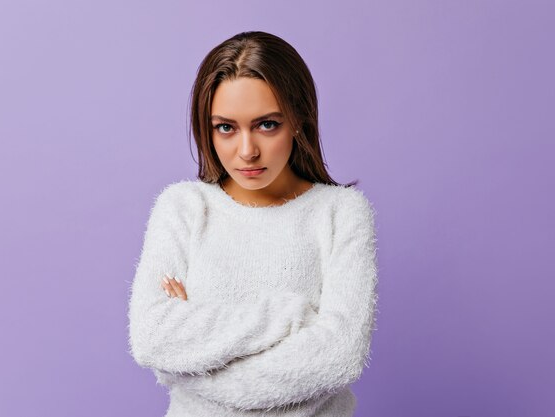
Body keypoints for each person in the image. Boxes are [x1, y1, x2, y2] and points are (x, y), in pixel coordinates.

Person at [127, 31, 379, 417]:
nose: (246, 151)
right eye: (225, 128)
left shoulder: (341, 213)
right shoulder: (183, 208)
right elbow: (151, 338)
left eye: (266, 125)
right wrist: (290, 317)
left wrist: (192, 360)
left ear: (298, 120)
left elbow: (339, 356)